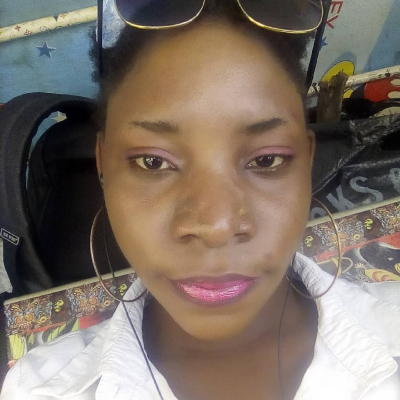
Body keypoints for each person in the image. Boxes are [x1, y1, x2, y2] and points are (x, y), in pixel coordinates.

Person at [2, 1, 400, 399]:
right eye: (154, 161)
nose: (216, 227)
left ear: (308, 162)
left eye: (266, 160)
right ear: (103, 164)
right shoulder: (38, 389)